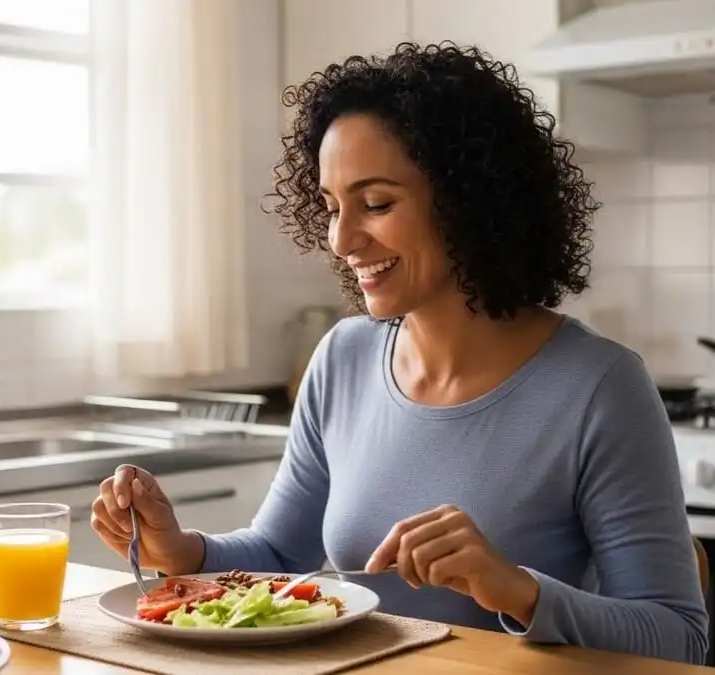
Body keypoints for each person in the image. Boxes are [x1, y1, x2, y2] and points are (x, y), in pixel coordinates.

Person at [91, 41, 708, 664]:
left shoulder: (599, 386)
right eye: (331, 208)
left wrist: (518, 591)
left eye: (376, 204)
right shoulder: (343, 359)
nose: (341, 239)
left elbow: (680, 636)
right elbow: (280, 556)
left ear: (470, 198)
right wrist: (180, 550)